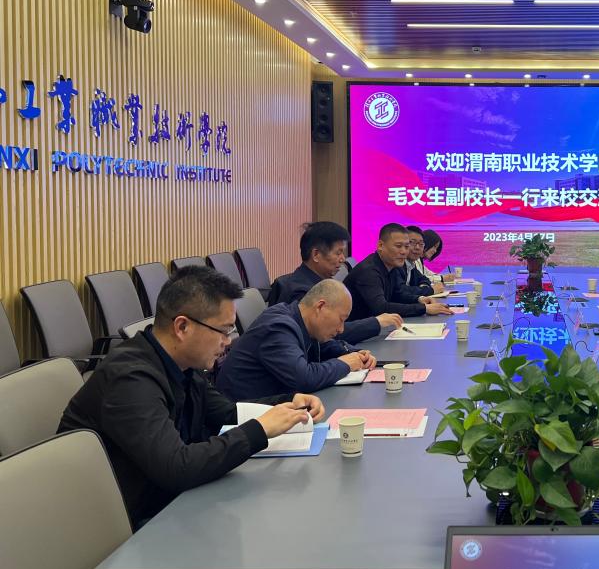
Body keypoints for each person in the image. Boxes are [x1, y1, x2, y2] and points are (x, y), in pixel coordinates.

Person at [58, 266, 323, 530]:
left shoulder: (182, 363)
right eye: (223, 330)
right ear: (183, 327)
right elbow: (177, 467)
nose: (228, 342)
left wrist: (288, 403)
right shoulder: (129, 379)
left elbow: (225, 412)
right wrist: (260, 430)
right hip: (129, 524)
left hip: (169, 503)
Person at [216, 280, 375, 401]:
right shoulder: (278, 327)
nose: (341, 329)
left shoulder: (299, 319)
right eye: (341, 319)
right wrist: (345, 364)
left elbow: (323, 346)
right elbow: (304, 379)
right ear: (320, 307)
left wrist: (354, 353)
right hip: (243, 417)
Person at [268, 221, 401, 343]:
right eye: (338, 253)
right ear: (316, 255)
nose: (343, 259)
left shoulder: (322, 282)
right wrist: (376, 323)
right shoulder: (301, 292)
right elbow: (328, 335)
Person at [345, 223, 454, 320]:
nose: (404, 252)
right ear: (380, 246)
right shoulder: (369, 271)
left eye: (406, 247)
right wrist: (424, 308)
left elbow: (397, 294)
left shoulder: (390, 265)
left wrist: (420, 299)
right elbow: (381, 308)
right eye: (398, 246)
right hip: (355, 332)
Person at [404, 225, 444, 295]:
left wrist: (424, 287)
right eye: (412, 242)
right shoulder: (397, 264)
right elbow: (401, 291)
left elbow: (424, 278)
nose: (435, 251)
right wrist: (441, 279)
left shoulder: (411, 263)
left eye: (421, 244)